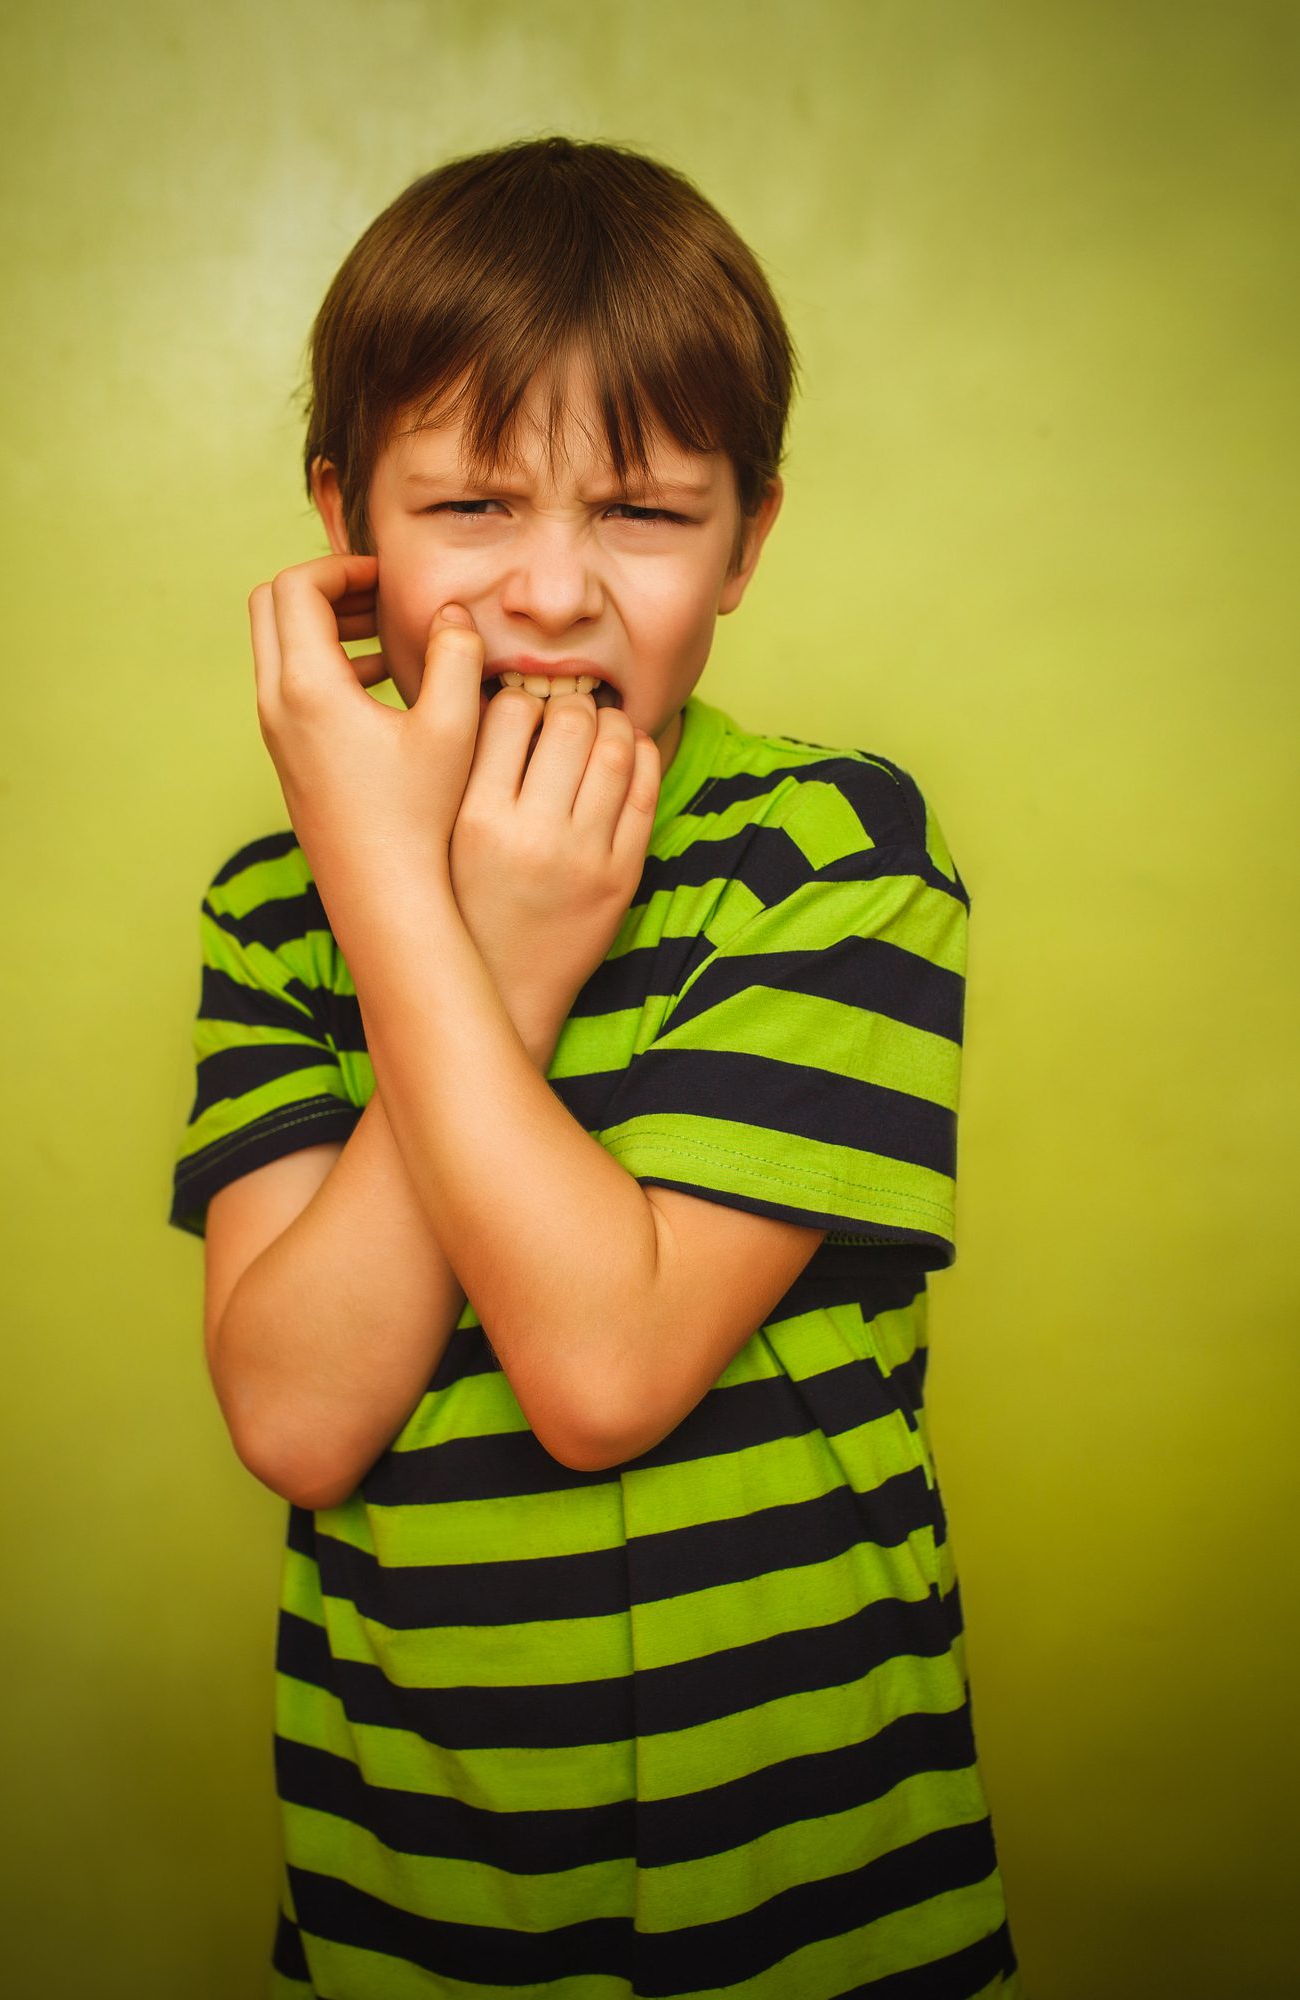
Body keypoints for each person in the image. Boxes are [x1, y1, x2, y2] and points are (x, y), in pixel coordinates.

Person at [170, 136, 1021, 2000]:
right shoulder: (268, 911)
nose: (553, 590)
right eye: (470, 504)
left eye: (641, 511)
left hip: (831, 1913)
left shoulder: (834, 857)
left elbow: (604, 1370)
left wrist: (427, 924)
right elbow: (302, 1422)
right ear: (345, 524)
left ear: (747, 542)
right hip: (420, 1915)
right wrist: (437, 919)